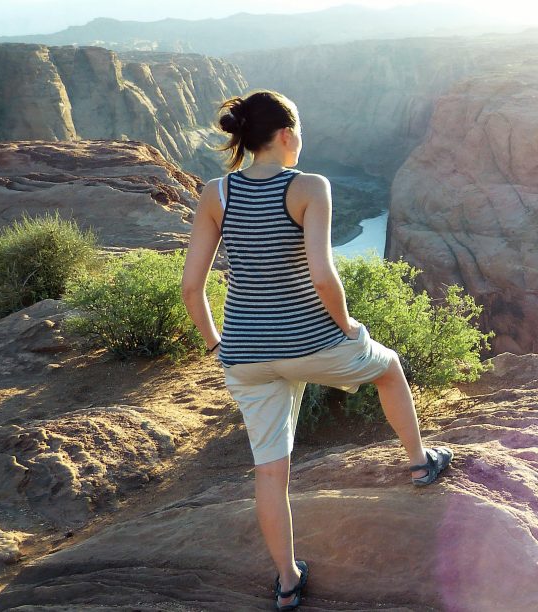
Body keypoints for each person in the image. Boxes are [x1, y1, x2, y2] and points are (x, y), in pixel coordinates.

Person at [180, 90, 452, 611]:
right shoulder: (309, 187)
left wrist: (217, 344)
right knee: (389, 368)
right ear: (286, 135)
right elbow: (323, 276)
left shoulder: (217, 194)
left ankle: (287, 583)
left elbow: (192, 288)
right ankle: (420, 464)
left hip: (245, 355)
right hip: (314, 343)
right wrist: (348, 326)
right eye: (299, 131)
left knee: (270, 471)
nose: (300, 140)